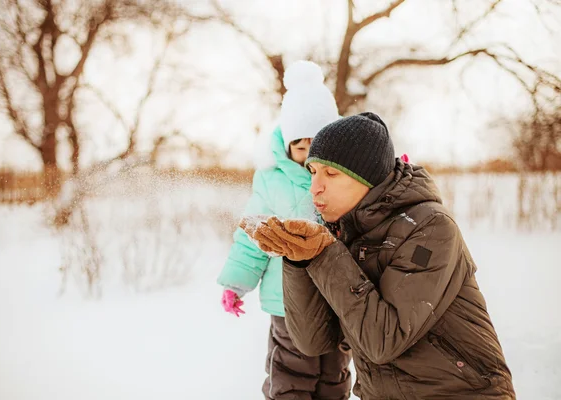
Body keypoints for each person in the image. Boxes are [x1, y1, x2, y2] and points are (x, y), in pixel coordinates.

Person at [239, 112, 516, 399]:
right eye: (312, 172)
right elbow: (314, 342)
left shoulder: (429, 228)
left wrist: (324, 254)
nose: (315, 187)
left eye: (331, 173)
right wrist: (299, 260)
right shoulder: (343, 233)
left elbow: (383, 340)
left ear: (367, 178)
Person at [217, 61, 352, 399]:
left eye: (317, 146)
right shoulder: (271, 179)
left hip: (337, 298)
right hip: (286, 301)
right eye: (300, 147)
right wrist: (237, 282)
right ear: (287, 144)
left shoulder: (348, 178)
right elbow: (254, 236)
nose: (308, 157)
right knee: (292, 375)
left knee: (333, 376)